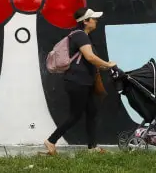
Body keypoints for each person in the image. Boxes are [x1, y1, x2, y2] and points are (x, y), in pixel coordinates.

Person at [44, 8, 115, 155]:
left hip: (84, 82)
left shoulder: (83, 36)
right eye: (93, 18)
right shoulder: (81, 36)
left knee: (91, 112)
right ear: (85, 21)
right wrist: (107, 64)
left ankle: (92, 147)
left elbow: (90, 61)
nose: (96, 21)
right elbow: (90, 57)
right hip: (77, 82)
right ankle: (51, 141)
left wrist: (103, 66)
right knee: (75, 115)